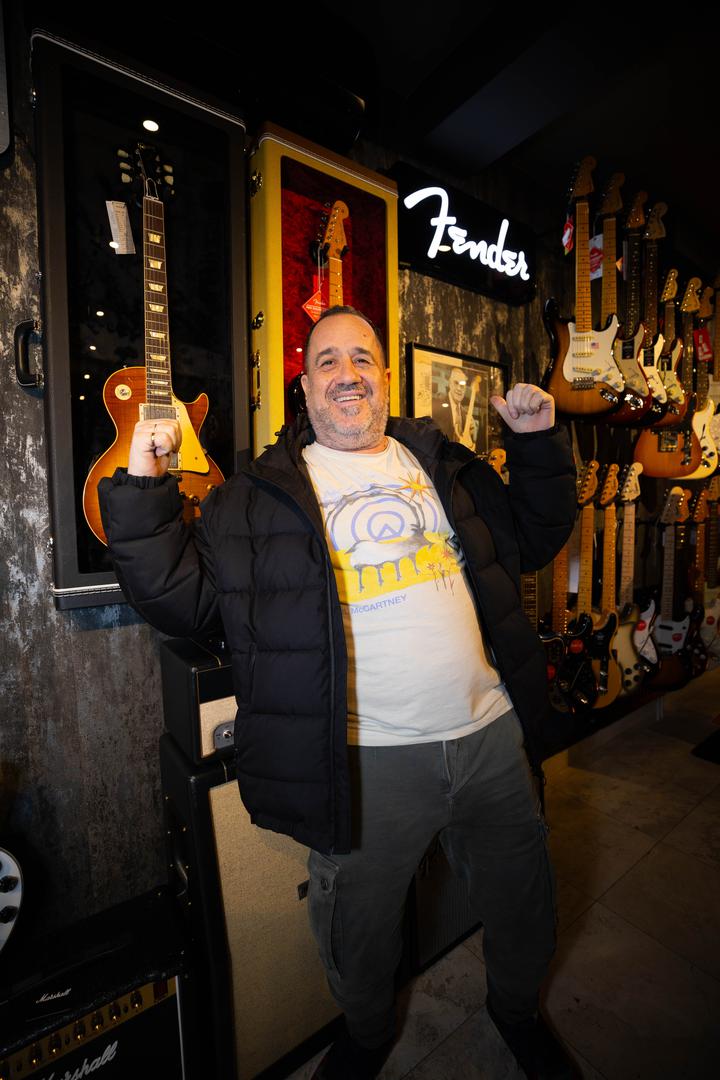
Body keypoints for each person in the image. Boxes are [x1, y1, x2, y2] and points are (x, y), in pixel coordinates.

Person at [98, 306, 578, 1080]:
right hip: (366, 757)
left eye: (362, 358)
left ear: (384, 376)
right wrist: (145, 487)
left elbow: (534, 539)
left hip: (490, 735)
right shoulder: (258, 496)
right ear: (305, 386)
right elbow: (181, 601)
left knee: (525, 899)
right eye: (328, 361)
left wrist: (535, 443)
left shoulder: (444, 463)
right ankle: (366, 1031)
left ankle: (516, 1012)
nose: (347, 374)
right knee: (359, 932)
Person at [432, 366, 481, 451]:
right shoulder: (436, 407)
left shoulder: (465, 414)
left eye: (462, 385)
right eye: (455, 383)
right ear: (449, 384)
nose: (459, 388)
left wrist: (473, 433)